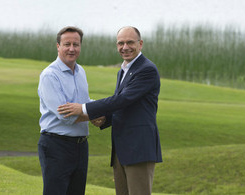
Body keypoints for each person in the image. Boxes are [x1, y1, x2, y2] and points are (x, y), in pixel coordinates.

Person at [58, 26, 162, 195]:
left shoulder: (146, 69)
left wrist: (84, 108)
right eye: (120, 43)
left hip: (139, 149)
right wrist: (105, 119)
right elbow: (124, 107)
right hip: (122, 150)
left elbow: (122, 99)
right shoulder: (124, 70)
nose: (125, 47)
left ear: (140, 44)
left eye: (130, 42)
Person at [37, 26, 93, 195]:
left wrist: (103, 108)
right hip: (56, 145)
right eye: (67, 44)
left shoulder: (81, 71)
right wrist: (95, 114)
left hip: (81, 146)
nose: (71, 48)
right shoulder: (49, 76)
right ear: (58, 46)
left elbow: (84, 104)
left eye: (76, 44)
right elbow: (66, 116)